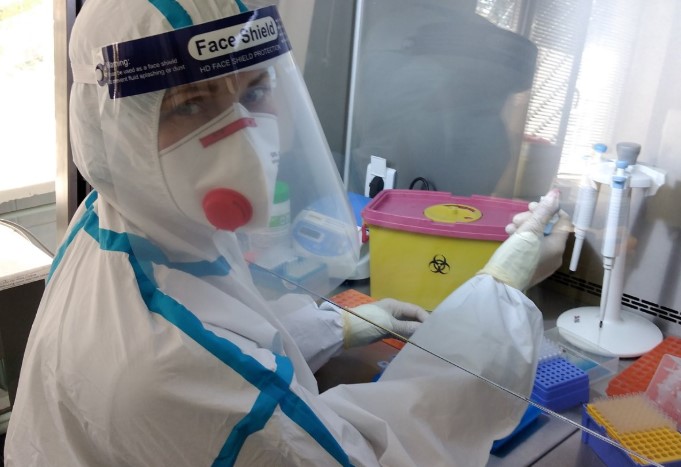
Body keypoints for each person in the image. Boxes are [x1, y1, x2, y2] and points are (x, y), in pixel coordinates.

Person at [4, 1, 570, 465]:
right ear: (115, 127)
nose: (243, 137)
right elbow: (377, 455)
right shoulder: (169, 367)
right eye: (192, 104)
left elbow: (222, 324)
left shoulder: (121, 222)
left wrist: (333, 324)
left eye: (253, 92)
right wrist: (503, 289)